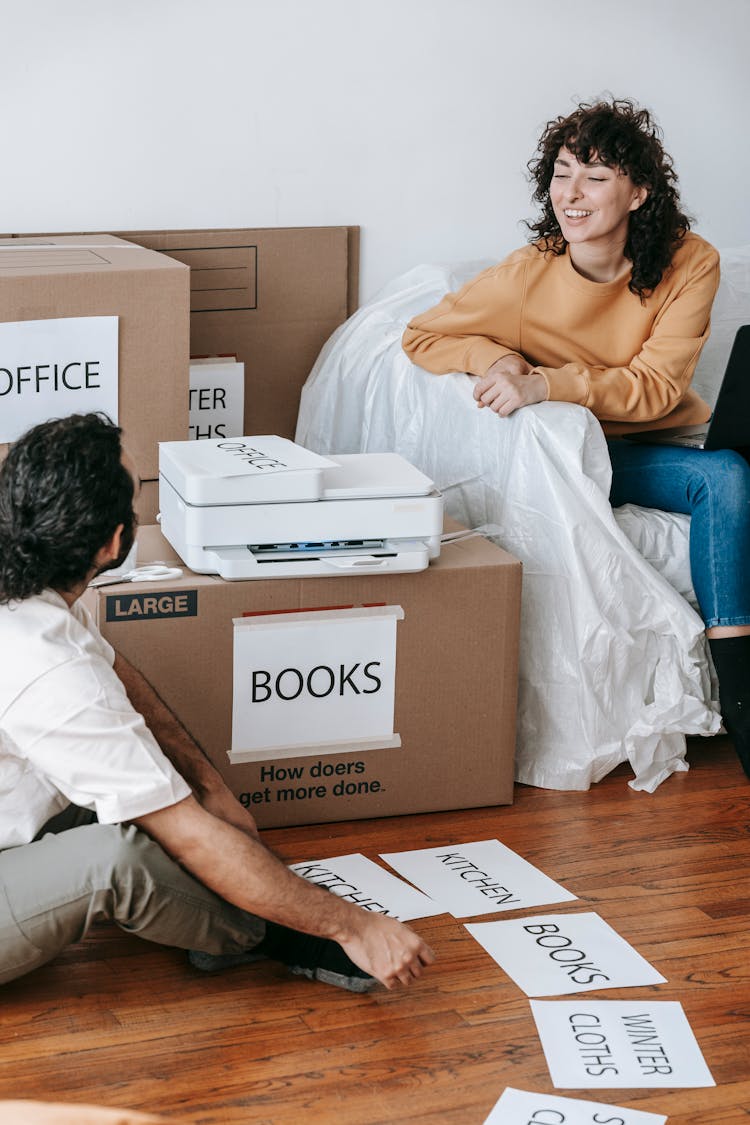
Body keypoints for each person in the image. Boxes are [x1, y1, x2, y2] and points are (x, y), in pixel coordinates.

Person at [0, 412, 434, 991]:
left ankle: (249, 909)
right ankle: (272, 937)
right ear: (110, 545)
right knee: (118, 856)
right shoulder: (47, 664)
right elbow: (185, 832)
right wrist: (352, 925)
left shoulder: (27, 574)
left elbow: (113, 671)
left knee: (159, 803)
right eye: (136, 505)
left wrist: (209, 786)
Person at [403, 97, 750, 780]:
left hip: (660, 440)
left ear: (638, 191)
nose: (572, 193)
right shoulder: (528, 273)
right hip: (578, 457)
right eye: (562, 173)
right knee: (728, 477)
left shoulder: (690, 261)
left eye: (595, 176)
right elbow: (423, 335)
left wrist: (550, 382)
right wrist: (500, 362)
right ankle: (740, 687)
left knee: (730, 466)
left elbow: (654, 389)